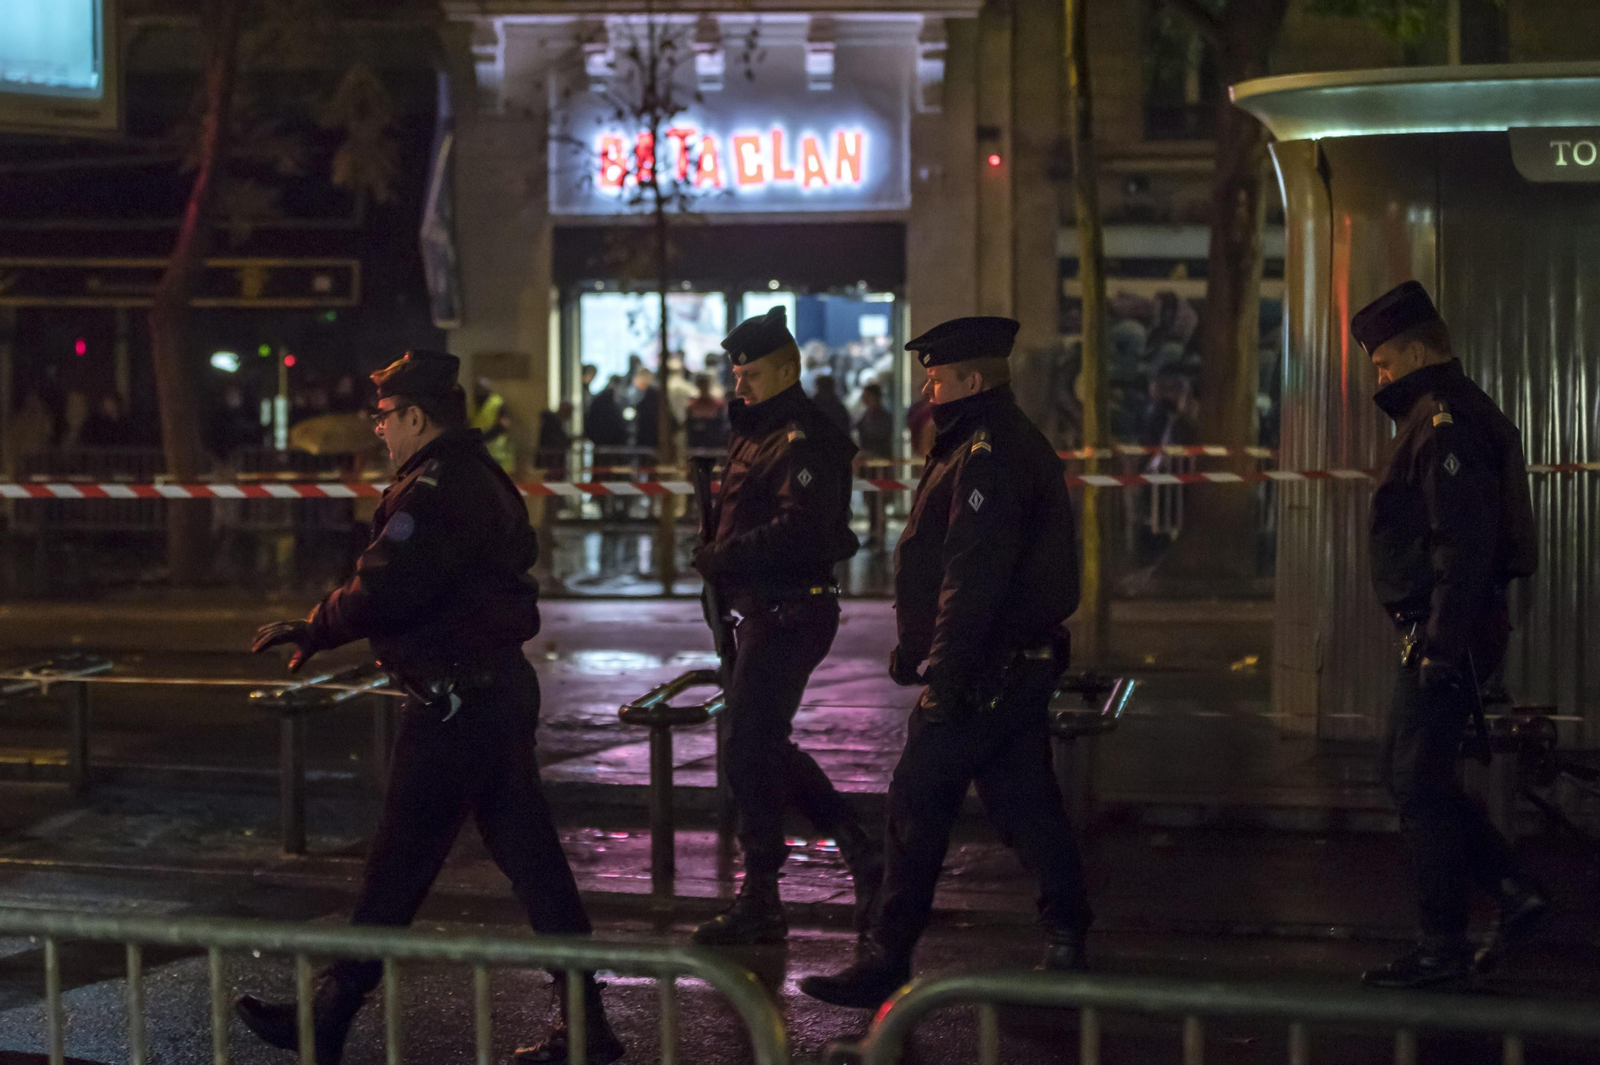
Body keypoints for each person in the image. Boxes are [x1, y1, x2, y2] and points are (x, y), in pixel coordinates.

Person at [235, 350, 624, 1065]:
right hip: (490, 692)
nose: (378, 430)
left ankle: (329, 1014)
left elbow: (386, 583)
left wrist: (316, 625)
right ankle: (588, 1024)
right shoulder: (482, 475)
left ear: (415, 414)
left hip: (454, 707)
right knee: (534, 864)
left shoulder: (433, 489)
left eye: (384, 416)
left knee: (396, 867)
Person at [801, 316, 1089, 1010]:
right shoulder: (979, 443)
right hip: (1003, 665)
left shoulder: (987, 451)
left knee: (916, 799)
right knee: (1026, 803)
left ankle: (886, 954)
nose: (928, 388)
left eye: (936, 376)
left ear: (970, 378)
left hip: (984, 670)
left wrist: (945, 674)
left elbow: (973, 572)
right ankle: (1069, 934)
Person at [1351, 282, 1545, 990]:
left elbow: (1459, 544)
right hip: (1444, 630)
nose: (1381, 377)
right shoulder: (1444, 415)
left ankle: (1445, 939)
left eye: (1385, 363)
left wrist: (1439, 642)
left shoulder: (1445, 422)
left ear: (1421, 350)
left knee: (1416, 779)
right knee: (1412, 775)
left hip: (1447, 633)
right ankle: (1509, 891)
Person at [689, 306, 882, 946]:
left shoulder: (804, 436)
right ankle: (785, 881)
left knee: (749, 742)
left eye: (752, 372)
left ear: (790, 368)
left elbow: (801, 529)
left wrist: (725, 557)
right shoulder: (755, 431)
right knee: (754, 744)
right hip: (758, 610)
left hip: (792, 609)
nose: (738, 383)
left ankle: (786, 881)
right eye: (735, 371)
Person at [853, 382, 894, 548]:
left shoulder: (881, 416)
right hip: (868, 466)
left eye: (866, 394)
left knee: (879, 501)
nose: (862, 397)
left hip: (879, 465)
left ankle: (879, 536)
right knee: (871, 501)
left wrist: (868, 453)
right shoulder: (867, 414)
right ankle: (874, 534)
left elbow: (880, 438)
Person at [685, 372, 728, 452]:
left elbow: (721, 426)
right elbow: (689, 427)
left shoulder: (718, 404)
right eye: (701, 383)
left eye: (705, 383)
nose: (703, 386)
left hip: (714, 446)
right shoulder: (692, 405)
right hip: (696, 447)